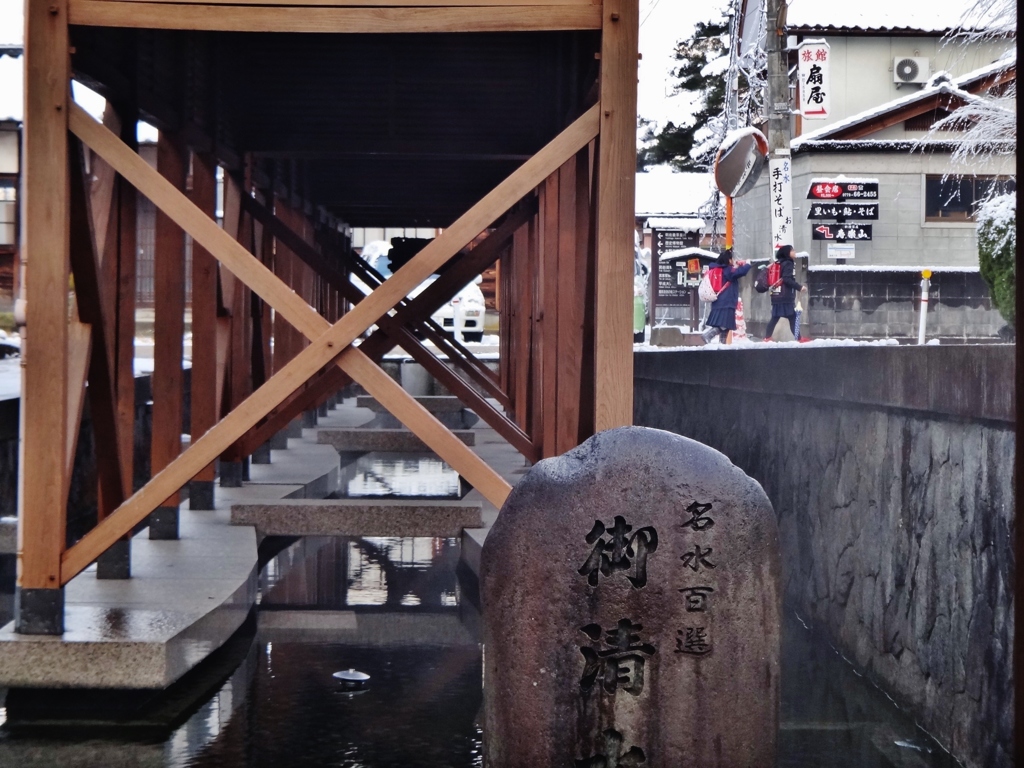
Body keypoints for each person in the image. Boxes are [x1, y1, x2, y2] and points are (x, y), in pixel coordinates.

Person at [701, 249, 752, 344]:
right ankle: (708, 335)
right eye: (731, 258)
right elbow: (739, 272)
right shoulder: (727, 270)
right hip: (726, 302)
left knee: (727, 326)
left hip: (718, 301)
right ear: (728, 260)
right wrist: (748, 264)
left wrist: (737, 266)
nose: (733, 260)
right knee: (723, 325)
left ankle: (722, 345)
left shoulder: (719, 269)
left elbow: (733, 272)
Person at [765, 244, 806, 340]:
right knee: (792, 318)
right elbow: (787, 279)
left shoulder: (778, 263)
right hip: (785, 296)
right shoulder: (788, 263)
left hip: (776, 295)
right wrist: (799, 287)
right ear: (787, 253)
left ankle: (767, 338)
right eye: (792, 250)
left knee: (776, 318)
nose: (795, 252)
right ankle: (799, 339)